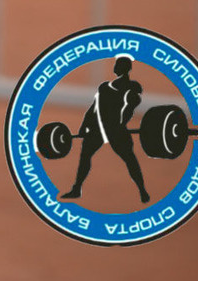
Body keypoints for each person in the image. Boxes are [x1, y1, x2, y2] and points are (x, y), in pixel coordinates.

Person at [62, 55, 151, 205]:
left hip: (115, 130)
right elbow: (94, 109)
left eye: (117, 65)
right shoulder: (104, 87)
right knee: (86, 156)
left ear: (123, 68)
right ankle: (77, 188)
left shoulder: (131, 89)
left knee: (130, 159)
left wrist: (119, 125)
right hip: (100, 128)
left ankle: (142, 190)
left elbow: (129, 110)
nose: (114, 68)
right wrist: (84, 126)